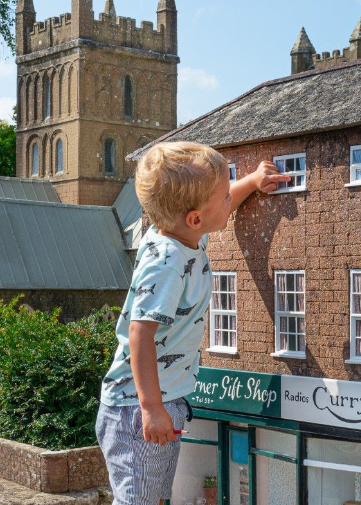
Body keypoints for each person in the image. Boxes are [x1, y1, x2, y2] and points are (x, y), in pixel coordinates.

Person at [96, 141, 288, 505]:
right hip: (139, 410)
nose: (230, 199)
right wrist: (152, 408)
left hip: (161, 401)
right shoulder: (168, 262)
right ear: (195, 219)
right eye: (225, 197)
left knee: (153, 498)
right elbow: (140, 334)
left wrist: (251, 181)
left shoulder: (179, 232)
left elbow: (213, 201)